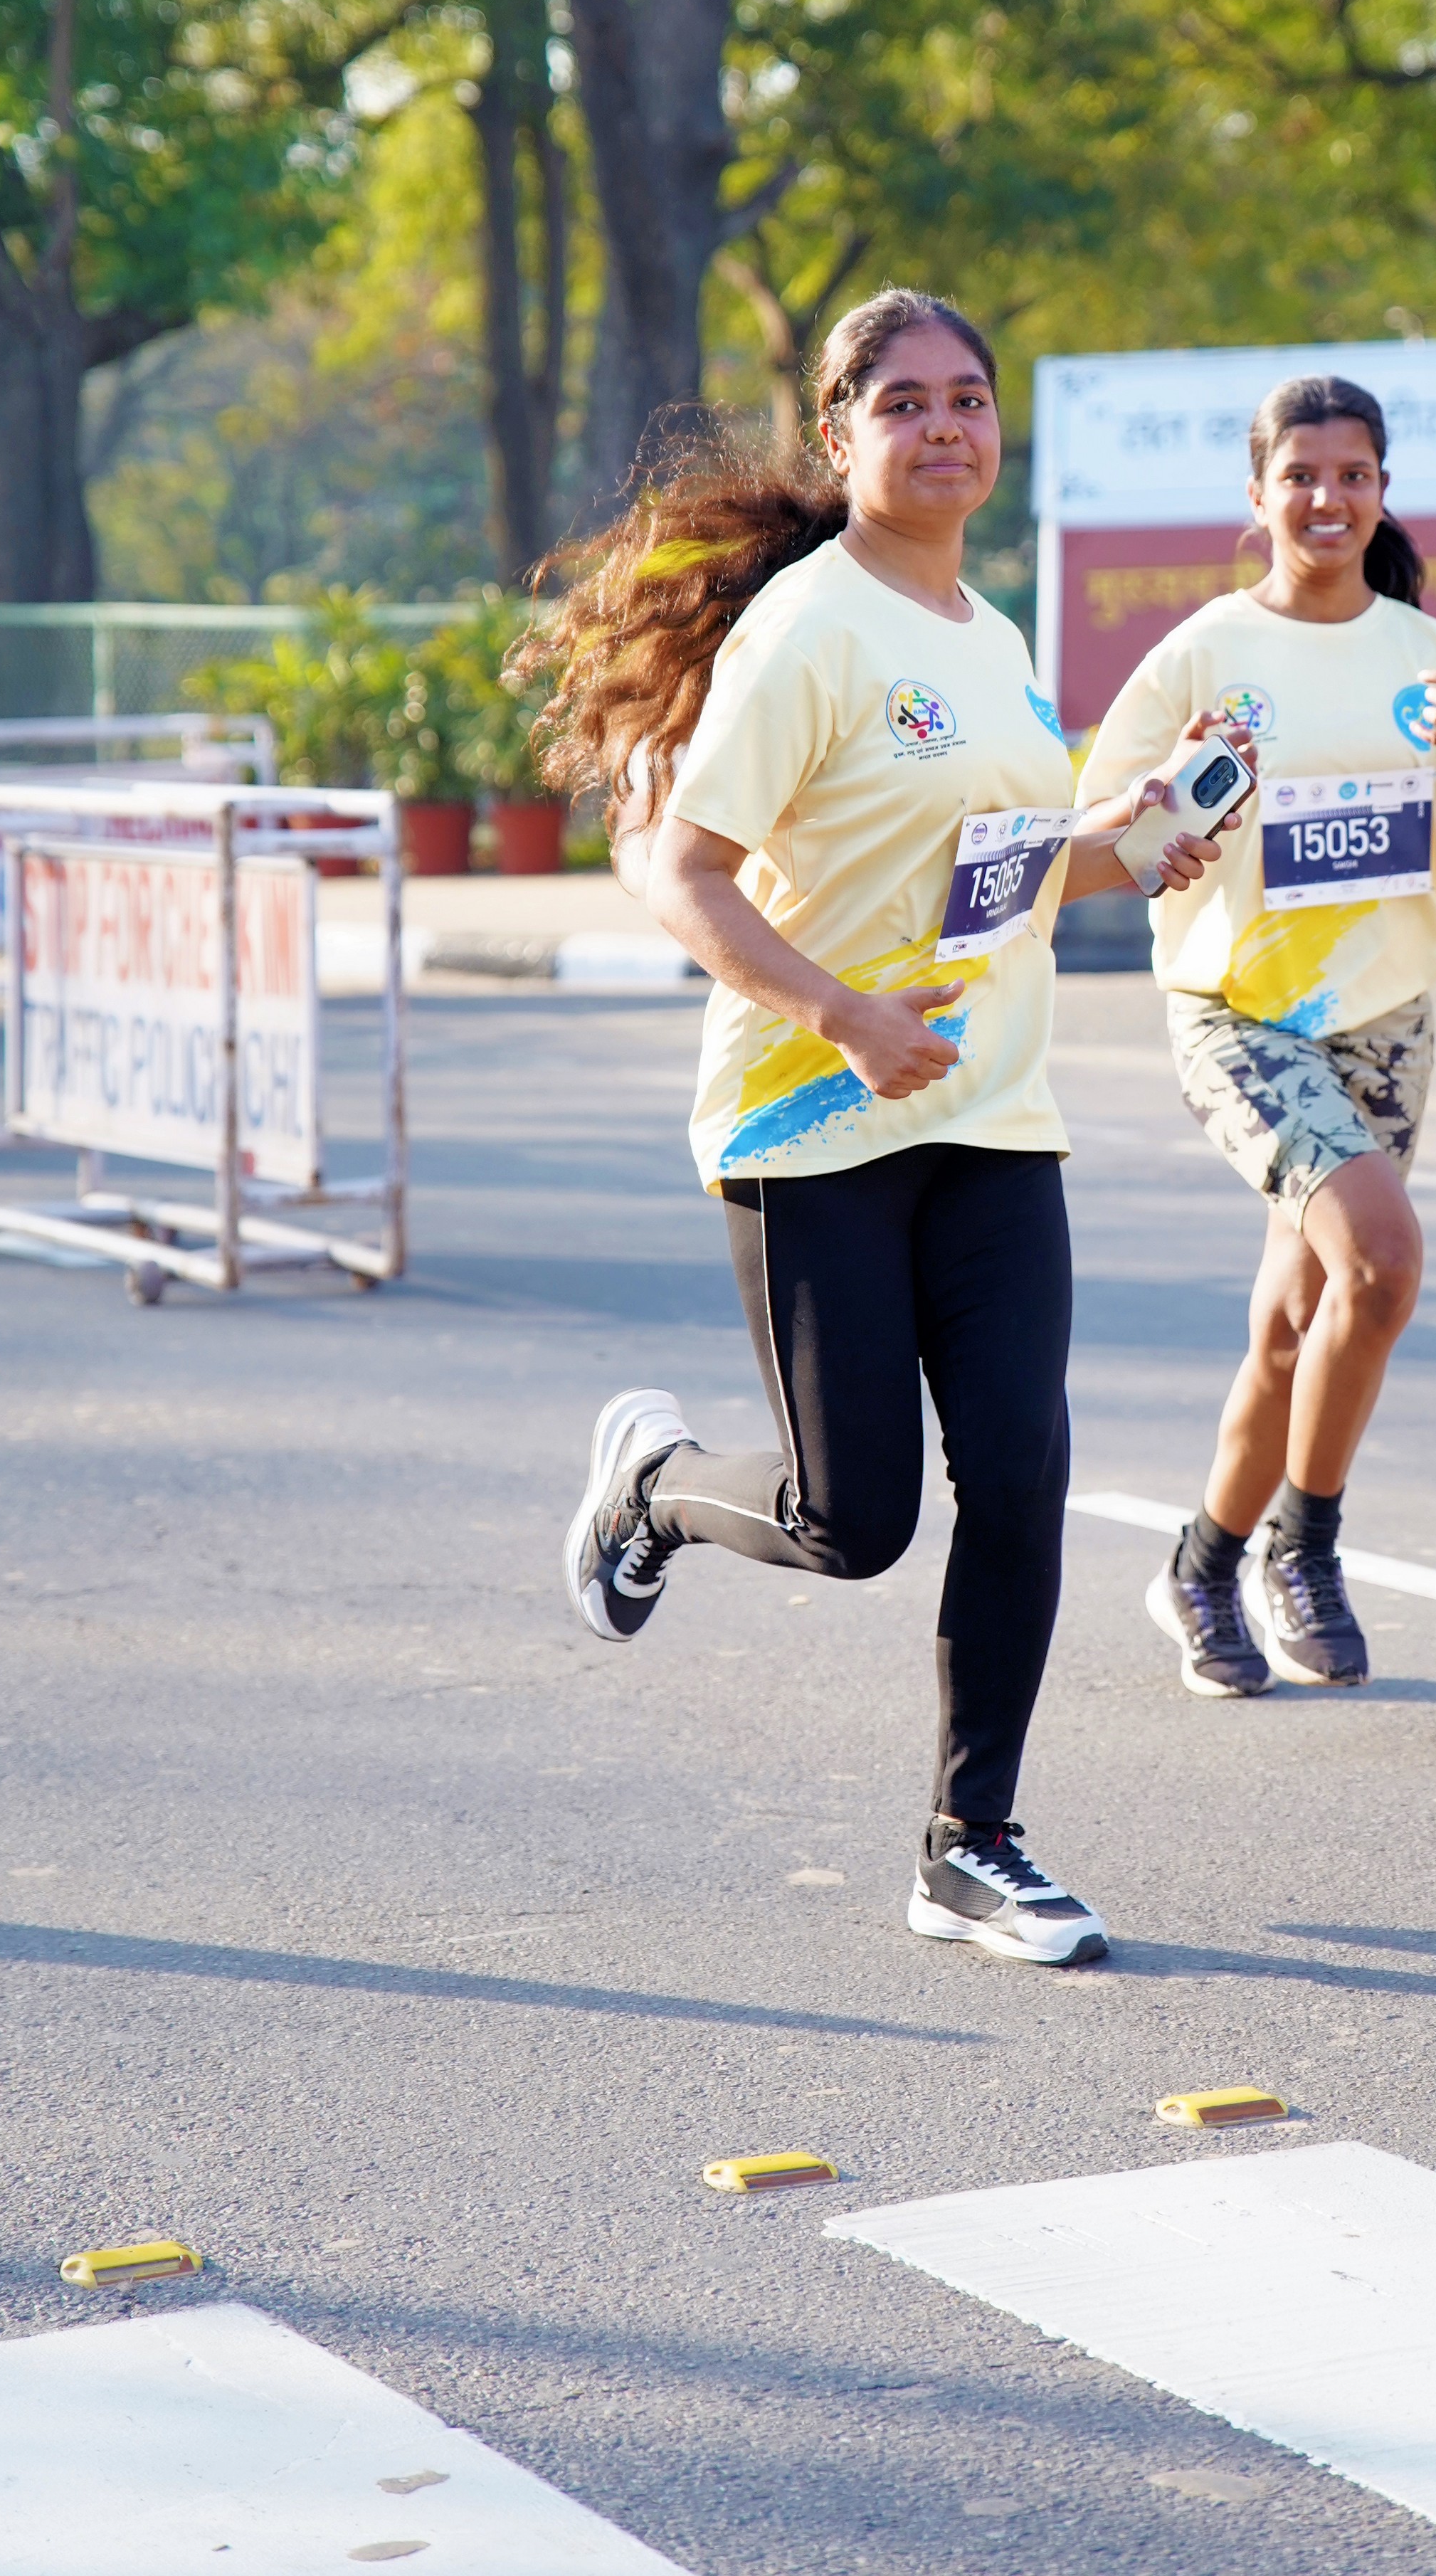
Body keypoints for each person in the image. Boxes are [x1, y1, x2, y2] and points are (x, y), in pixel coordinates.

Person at [526, 290, 1235, 1966]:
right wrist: (845, 1015)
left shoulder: (993, 641)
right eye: (903, 402)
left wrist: (1132, 842)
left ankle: (968, 1845)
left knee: (1023, 1474)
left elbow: (999, 873)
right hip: (814, 1122)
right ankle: (652, 1488)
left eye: (967, 398)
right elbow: (686, 877)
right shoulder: (807, 629)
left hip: (993, 1114)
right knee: (854, 1524)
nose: (943, 427)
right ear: (839, 436)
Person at [1077, 373, 1436, 1699]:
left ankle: (1200, 1568)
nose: (1326, 498)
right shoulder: (1200, 654)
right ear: (1258, 496)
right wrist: (1163, 811)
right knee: (1384, 1260)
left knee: (1297, 1323)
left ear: (1381, 492)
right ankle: (1306, 1546)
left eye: (1351, 475)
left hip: (1387, 1030)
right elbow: (1101, 834)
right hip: (1238, 1019)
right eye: (1300, 476)